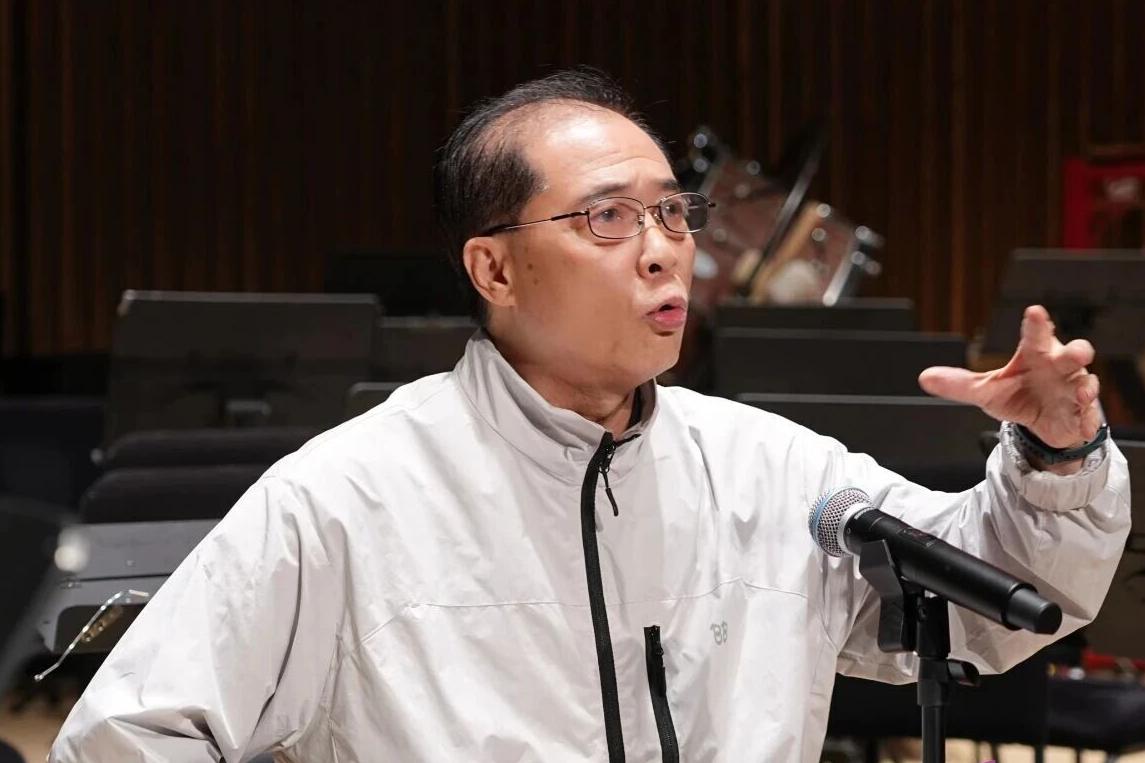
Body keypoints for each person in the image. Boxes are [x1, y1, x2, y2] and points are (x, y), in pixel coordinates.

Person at [50, 69, 1130, 763]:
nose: (664, 251)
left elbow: (995, 603)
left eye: (672, 212)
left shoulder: (767, 470)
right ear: (493, 267)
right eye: (607, 218)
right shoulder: (346, 495)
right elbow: (129, 734)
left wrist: (1056, 452)